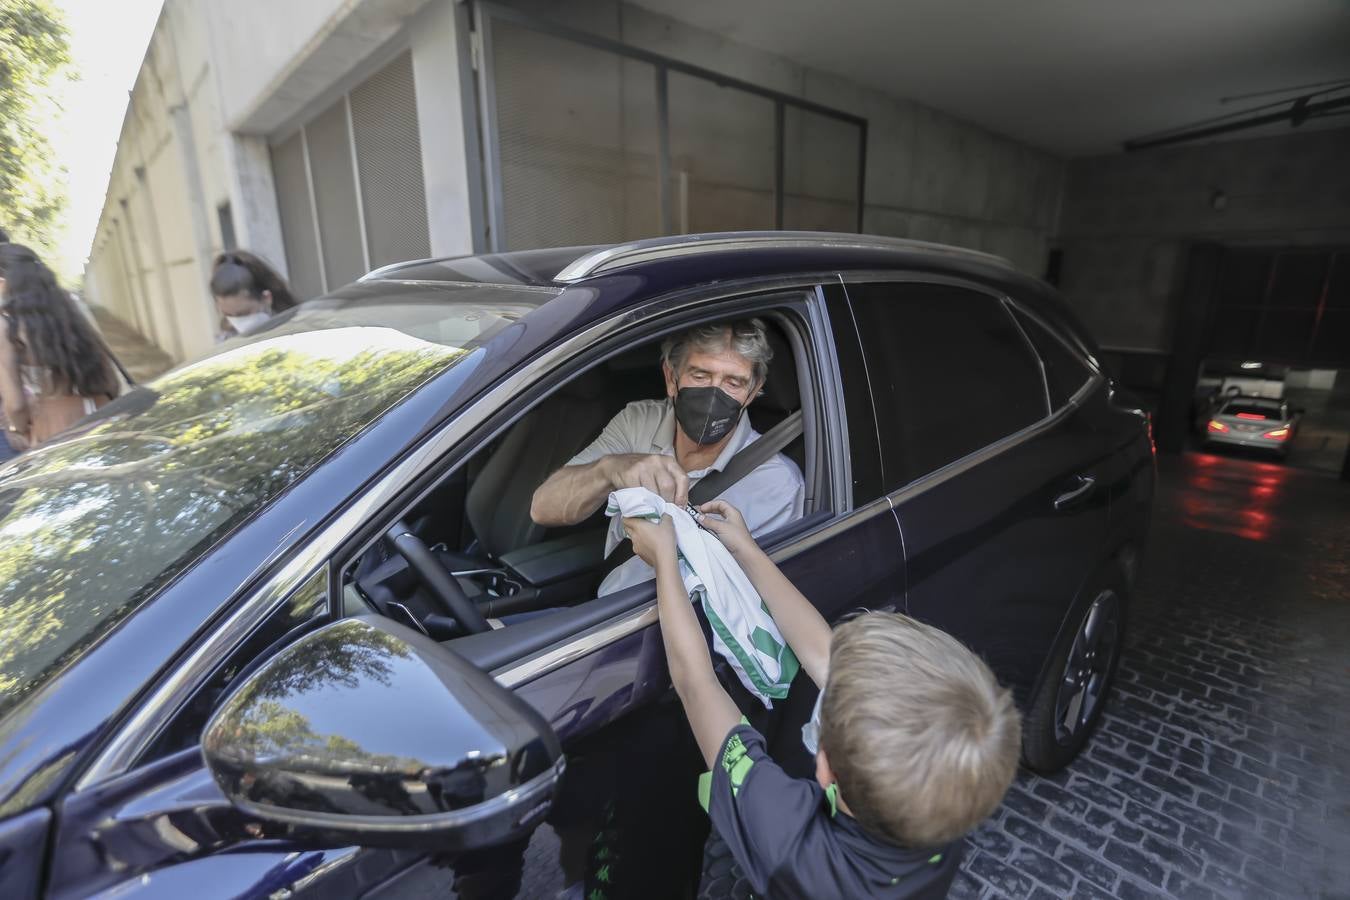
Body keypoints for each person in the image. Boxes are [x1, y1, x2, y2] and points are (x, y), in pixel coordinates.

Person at [623, 500, 1023, 900]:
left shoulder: (790, 839)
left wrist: (665, 561)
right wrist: (746, 549)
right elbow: (822, 655)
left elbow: (697, 685)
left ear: (824, 766)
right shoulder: (945, 803)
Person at [531, 319, 804, 595]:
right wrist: (609, 469)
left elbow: (740, 610)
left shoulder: (777, 484)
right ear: (671, 378)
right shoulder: (638, 422)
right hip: (605, 605)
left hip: (659, 631)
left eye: (733, 382)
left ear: (753, 391)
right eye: (700, 376)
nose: (713, 396)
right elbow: (543, 508)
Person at [0, 244, 121, 451]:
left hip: (53, 428)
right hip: (102, 414)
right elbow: (112, 383)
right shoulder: (71, 308)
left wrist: (18, 430)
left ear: (2, 283)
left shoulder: (6, 327)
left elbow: (16, 405)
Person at [209, 250, 298, 338]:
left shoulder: (298, 327)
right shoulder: (227, 340)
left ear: (267, 298)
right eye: (228, 315)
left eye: (244, 313)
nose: (238, 322)